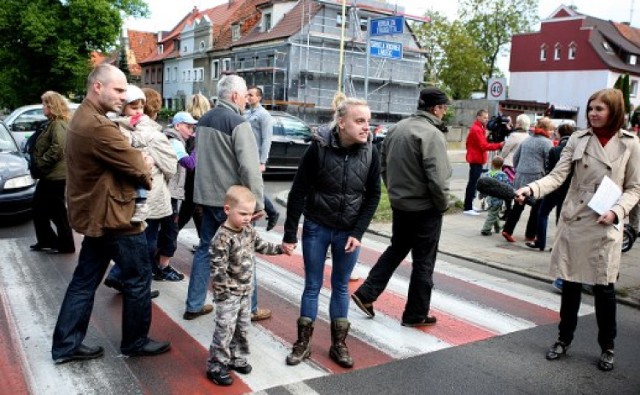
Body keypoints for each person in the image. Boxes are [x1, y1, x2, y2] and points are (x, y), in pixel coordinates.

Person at [51, 64, 170, 364]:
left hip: (97, 213)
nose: (124, 95)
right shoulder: (100, 127)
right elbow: (141, 168)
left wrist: (135, 159)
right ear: (97, 87)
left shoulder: (83, 116)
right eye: (118, 90)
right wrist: (142, 163)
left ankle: (65, 345)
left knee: (85, 280)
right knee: (139, 278)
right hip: (115, 216)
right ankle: (135, 341)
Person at [515, 88, 640, 372]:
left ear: (615, 111)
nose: (593, 113)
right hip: (575, 219)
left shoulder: (631, 143)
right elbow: (557, 176)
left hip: (605, 223)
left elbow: (635, 187)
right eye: (591, 108)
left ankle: (607, 346)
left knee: (604, 290)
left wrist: (617, 211)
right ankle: (563, 340)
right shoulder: (577, 139)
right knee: (569, 286)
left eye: (600, 109)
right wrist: (531, 188)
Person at [283, 94, 381, 368]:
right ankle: (303, 344)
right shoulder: (318, 148)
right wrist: (290, 233)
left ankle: (339, 344)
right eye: (359, 121)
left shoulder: (371, 151)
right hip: (317, 226)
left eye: (368, 122)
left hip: (348, 231)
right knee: (312, 286)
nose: (366, 127)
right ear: (341, 122)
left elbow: (373, 195)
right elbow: (298, 191)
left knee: (340, 286)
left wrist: (358, 233)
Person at [351, 87, 451, 329]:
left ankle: (367, 292)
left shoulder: (397, 129)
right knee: (424, 261)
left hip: (401, 204)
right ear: (436, 108)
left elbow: (383, 166)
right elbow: (437, 178)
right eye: (444, 108)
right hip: (425, 208)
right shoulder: (432, 134)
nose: (445, 113)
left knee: (397, 249)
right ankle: (415, 313)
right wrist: (443, 204)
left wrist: (396, 193)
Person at [184, 74, 265, 321]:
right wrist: (258, 204)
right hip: (231, 200)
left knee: (205, 249)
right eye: (243, 96)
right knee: (243, 253)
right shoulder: (238, 122)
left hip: (206, 198)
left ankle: (194, 304)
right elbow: (250, 168)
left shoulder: (204, 120)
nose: (245, 102)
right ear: (234, 96)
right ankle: (249, 308)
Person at [206, 185, 290, 386]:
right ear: (227, 209)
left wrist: (280, 248)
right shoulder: (222, 238)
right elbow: (218, 269)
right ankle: (216, 365)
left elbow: (262, 246)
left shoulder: (248, 230)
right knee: (224, 329)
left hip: (245, 291)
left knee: (242, 327)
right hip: (229, 294)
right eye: (242, 213)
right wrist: (223, 294)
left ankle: (236, 358)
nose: (247, 218)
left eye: (250, 214)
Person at [103, 85, 181, 290]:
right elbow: (171, 166)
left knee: (132, 242)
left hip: (123, 197)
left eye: (140, 107)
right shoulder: (153, 135)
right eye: (133, 107)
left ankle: (121, 275)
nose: (138, 111)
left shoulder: (112, 130)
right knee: (147, 243)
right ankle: (132, 282)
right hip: (151, 196)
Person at [28, 91, 75, 254]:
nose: (42, 107)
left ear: (51, 105)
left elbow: (59, 148)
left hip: (55, 176)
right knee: (40, 208)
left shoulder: (58, 124)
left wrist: (41, 162)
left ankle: (66, 244)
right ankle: (47, 241)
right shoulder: (52, 122)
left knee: (56, 211)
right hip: (50, 175)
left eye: (44, 104)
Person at [501, 117, 553, 243]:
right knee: (536, 208)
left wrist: (519, 169)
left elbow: (515, 158)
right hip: (536, 177)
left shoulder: (527, 140)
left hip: (521, 175)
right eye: (551, 129)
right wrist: (547, 176)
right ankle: (530, 235)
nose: (552, 132)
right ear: (546, 129)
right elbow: (548, 162)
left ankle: (507, 230)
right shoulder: (547, 143)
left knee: (518, 205)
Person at [526, 123, 575, 252]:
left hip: (554, 188)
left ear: (560, 133)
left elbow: (549, 171)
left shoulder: (555, 150)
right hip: (569, 189)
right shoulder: (576, 149)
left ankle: (540, 241)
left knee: (542, 213)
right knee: (561, 217)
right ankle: (559, 246)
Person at [245, 86, 280, 231]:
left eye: (251, 95)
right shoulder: (246, 113)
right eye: (247, 94)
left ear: (259, 97)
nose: (248, 97)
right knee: (251, 189)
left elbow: (267, 139)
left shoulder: (264, 115)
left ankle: (270, 213)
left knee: (253, 190)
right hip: (245, 156)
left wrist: (262, 161)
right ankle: (271, 212)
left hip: (255, 157)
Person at [178, 93, 210, 239]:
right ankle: (205, 244)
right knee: (191, 210)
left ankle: (204, 243)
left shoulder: (187, 125)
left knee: (191, 210)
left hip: (190, 177)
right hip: (201, 177)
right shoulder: (206, 125)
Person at [463, 109, 503, 215]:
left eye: (487, 117)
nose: (486, 120)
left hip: (477, 158)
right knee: (473, 183)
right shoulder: (476, 129)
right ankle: (467, 207)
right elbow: (484, 146)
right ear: (478, 117)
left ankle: (469, 205)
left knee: (474, 182)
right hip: (476, 159)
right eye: (484, 117)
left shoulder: (479, 128)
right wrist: (499, 145)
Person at [500, 114, 531, 219]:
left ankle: (507, 211)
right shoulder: (529, 137)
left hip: (509, 165)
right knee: (517, 189)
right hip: (521, 167)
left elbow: (505, 150)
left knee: (507, 189)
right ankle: (514, 210)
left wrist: (499, 159)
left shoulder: (514, 136)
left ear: (519, 123)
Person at [480, 156, 509, 236]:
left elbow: (483, 185)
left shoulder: (487, 174)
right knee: (492, 214)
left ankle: (497, 227)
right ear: (502, 165)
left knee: (494, 212)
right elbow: (507, 186)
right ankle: (486, 229)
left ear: (492, 164)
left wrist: (482, 194)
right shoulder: (503, 175)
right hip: (498, 198)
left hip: (489, 198)